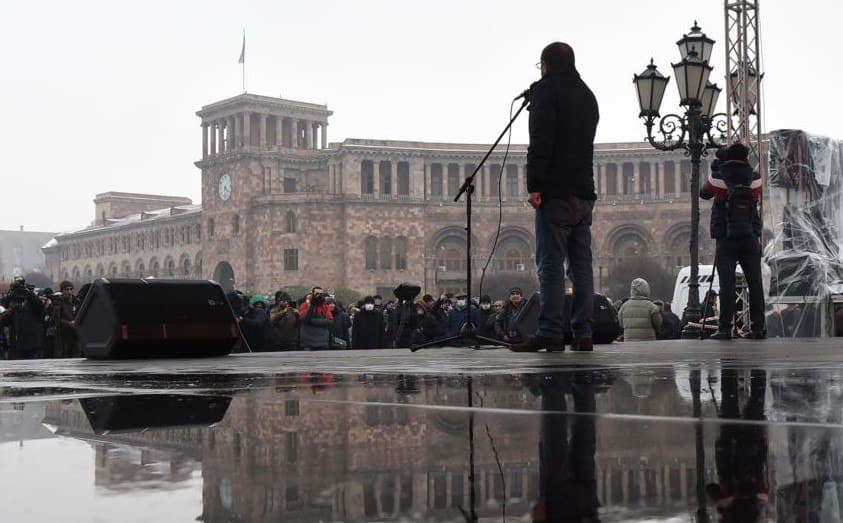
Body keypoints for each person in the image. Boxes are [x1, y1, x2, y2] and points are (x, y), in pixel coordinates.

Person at [513, 41, 599, 353]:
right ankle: (583, 333)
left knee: (550, 264)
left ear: (546, 65)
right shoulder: (588, 96)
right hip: (583, 193)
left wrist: (534, 186)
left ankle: (550, 330)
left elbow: (540, 142)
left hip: (557, 193)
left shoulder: (547, 91)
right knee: (581, 266)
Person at [700, 142, 766, 339]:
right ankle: (757, 328)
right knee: (755, 283)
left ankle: (725, 328)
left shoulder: (719, 176)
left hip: (726, 237)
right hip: (749, 236)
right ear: (746, 158)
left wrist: (716, 168)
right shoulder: (755, 178)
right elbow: (757, 195)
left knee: (727, 285)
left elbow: (704, 194)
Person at [0, 277, 46, 359]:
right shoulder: (11, 299)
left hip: (32, 343)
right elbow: (4, 321)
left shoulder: (31, 299)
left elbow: (39, 307)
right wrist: (8, 309)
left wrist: (28, 292)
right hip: (16, 343)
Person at [55, 281, 80, 358]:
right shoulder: (58, 303)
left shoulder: (77, 302)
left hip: (76, 335)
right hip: (64, 336)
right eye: (66, 289)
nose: (69, 292)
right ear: (62, 291)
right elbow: (56, 319)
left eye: (71, 289)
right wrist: (68, 323)